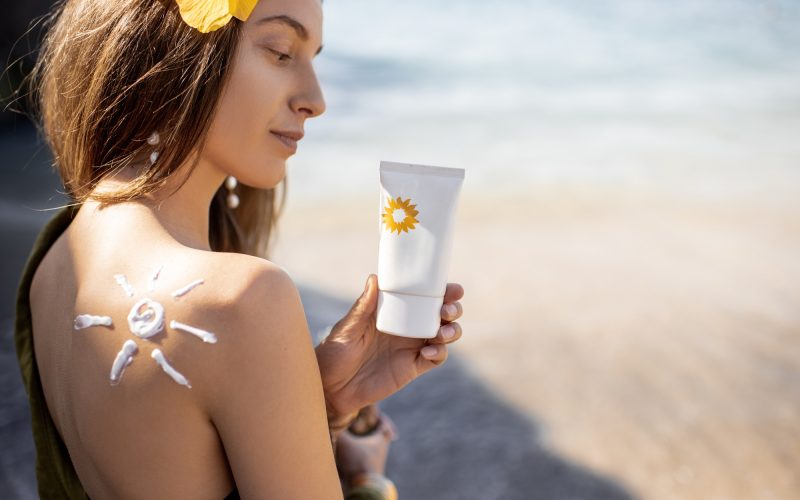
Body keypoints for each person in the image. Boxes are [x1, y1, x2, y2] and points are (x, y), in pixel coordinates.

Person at [12, 0, 465, 498]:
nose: (316, 99)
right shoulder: (240, 300)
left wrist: (326, 412)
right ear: (176, 47)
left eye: (314, 57)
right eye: (280, 51)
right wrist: (368, 482)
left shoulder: (54, 258)